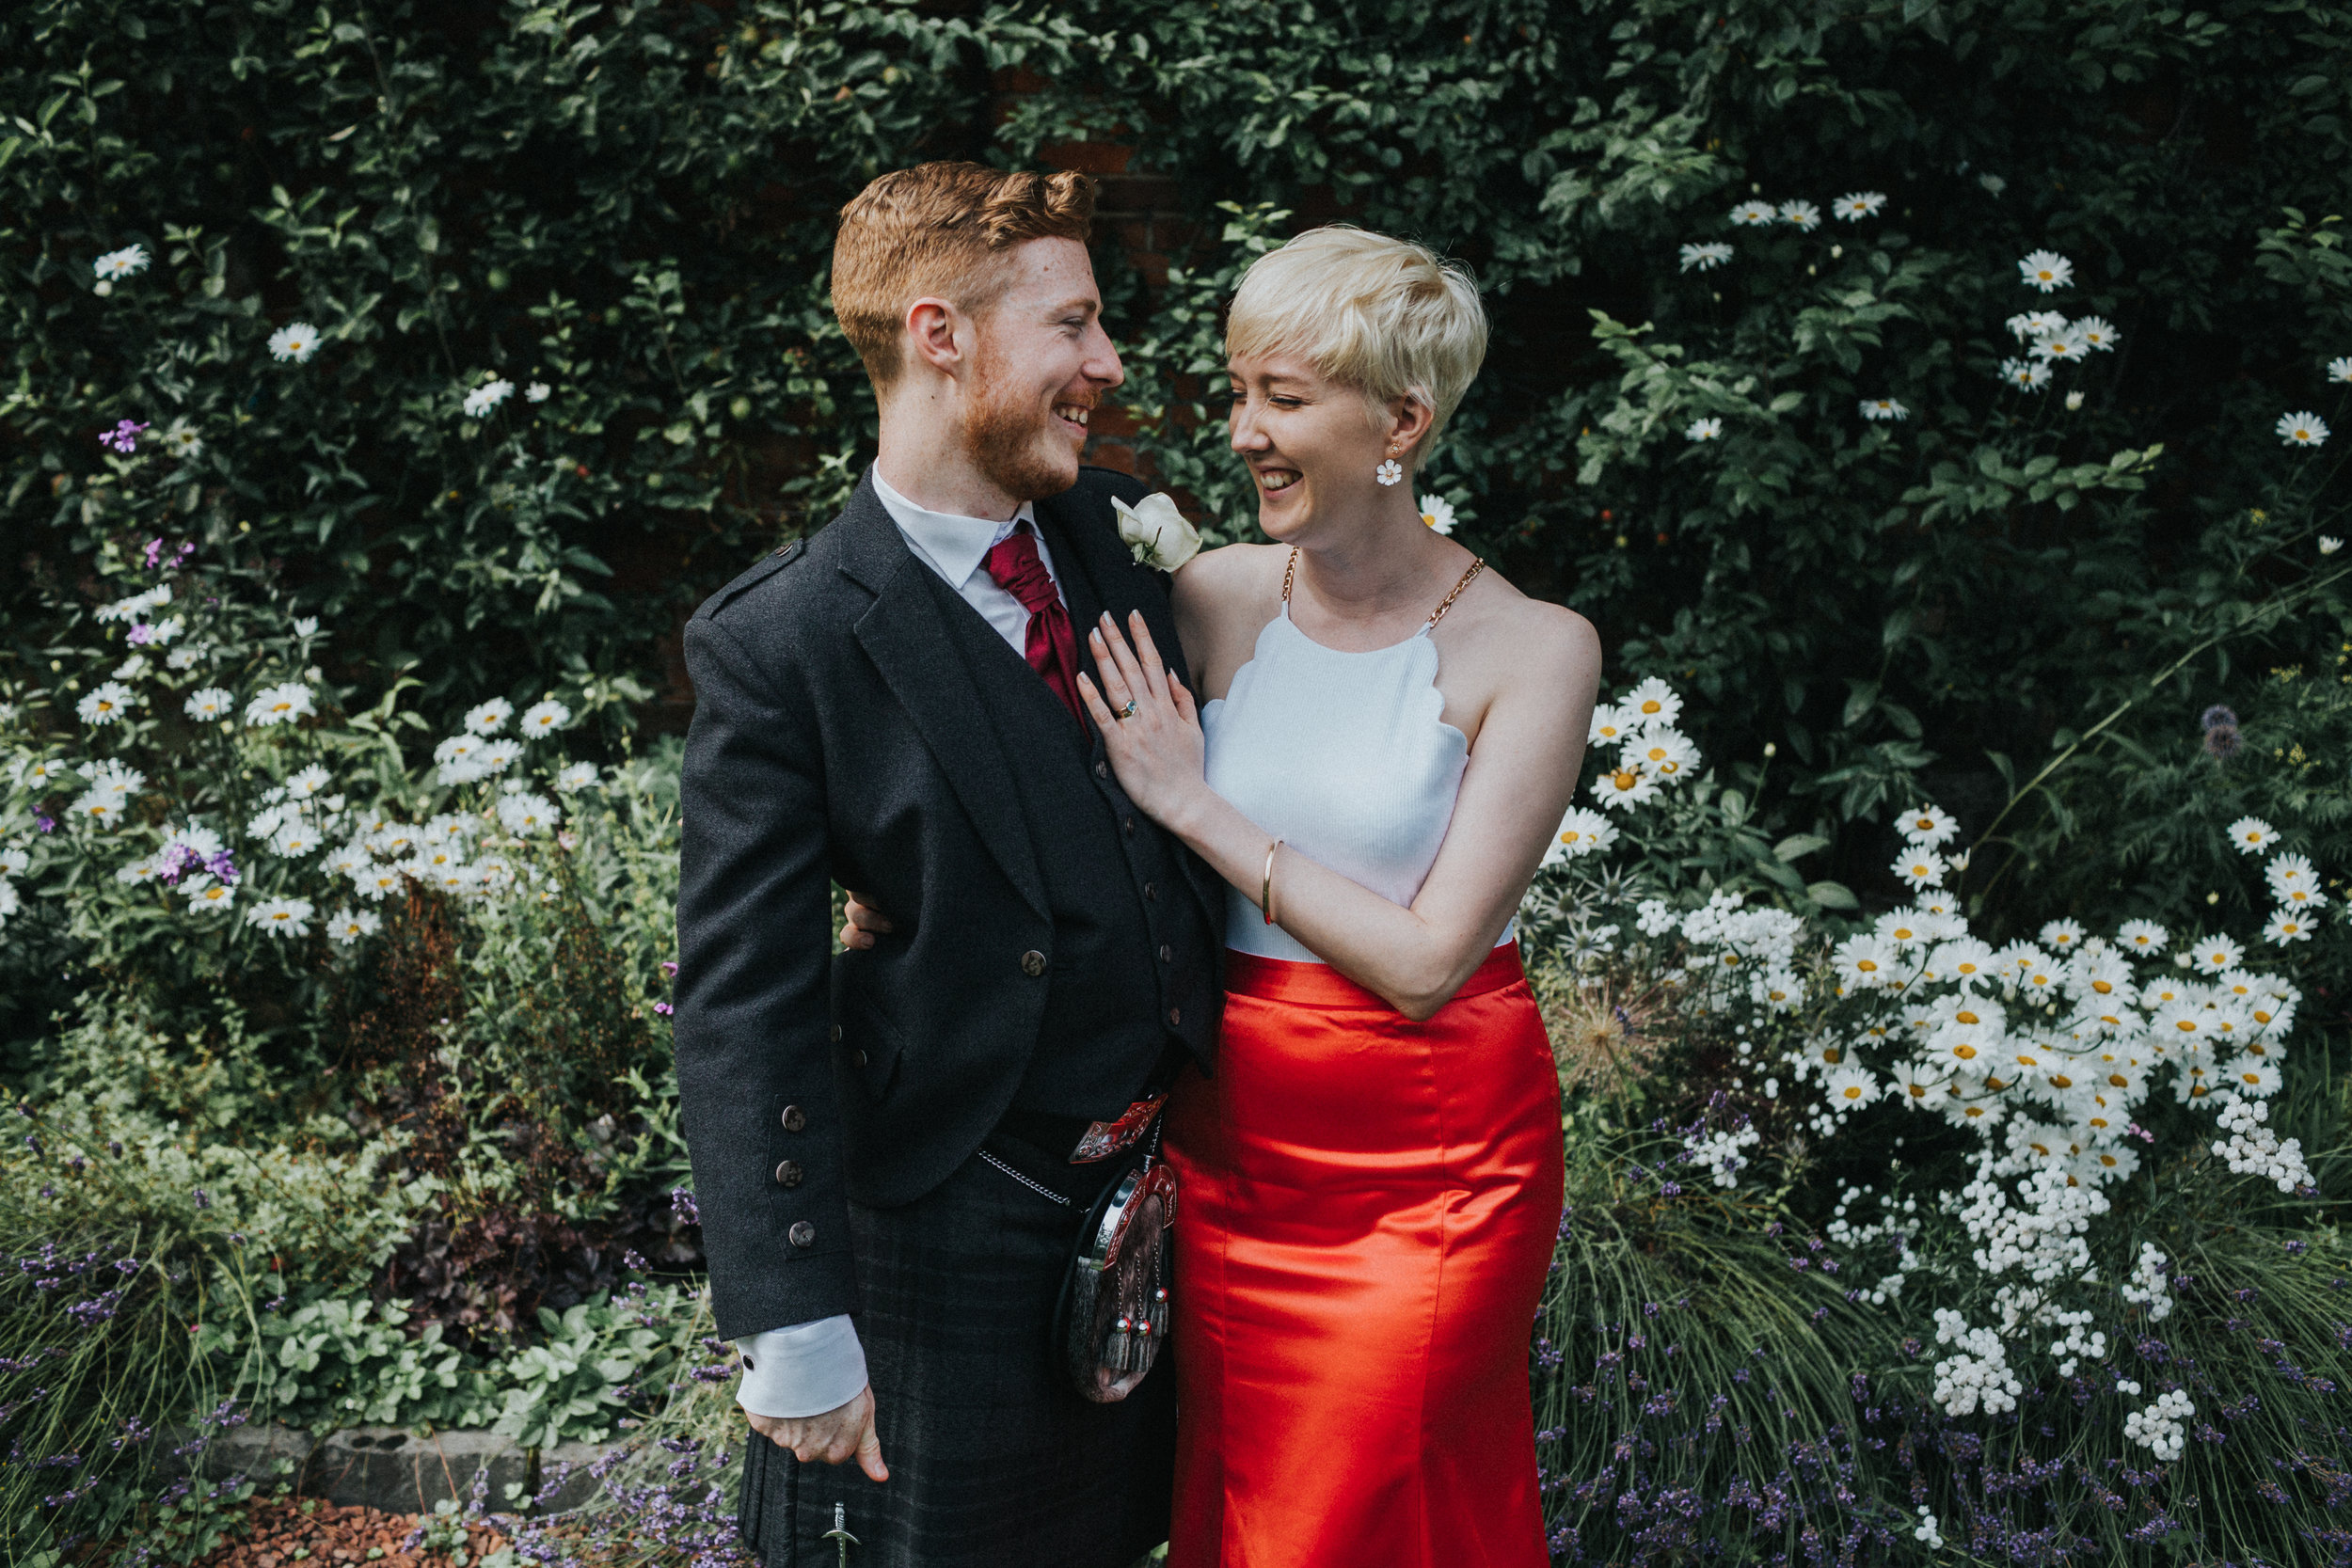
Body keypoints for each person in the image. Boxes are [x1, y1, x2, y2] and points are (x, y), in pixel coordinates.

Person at [671, 162, 1225, 1568]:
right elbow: (745, 995)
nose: (1106, 365)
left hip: (1154, 1203)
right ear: (941, 335)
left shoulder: (1116, 538)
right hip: (948, 1218)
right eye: (1073, 326)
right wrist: (793, 1320)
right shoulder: (783, 639)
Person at [1016, 225, 1597, 1565]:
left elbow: (1426, 961)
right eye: (1237, 393)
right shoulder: (1214, 598)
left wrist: (1197, 804)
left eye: (1282, 398)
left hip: (1438, 1160)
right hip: (1233, 1150)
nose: (1241, 434)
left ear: (1403, 419)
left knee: (1355, 1505)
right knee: (1243, 1504)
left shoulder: (1534, 648)